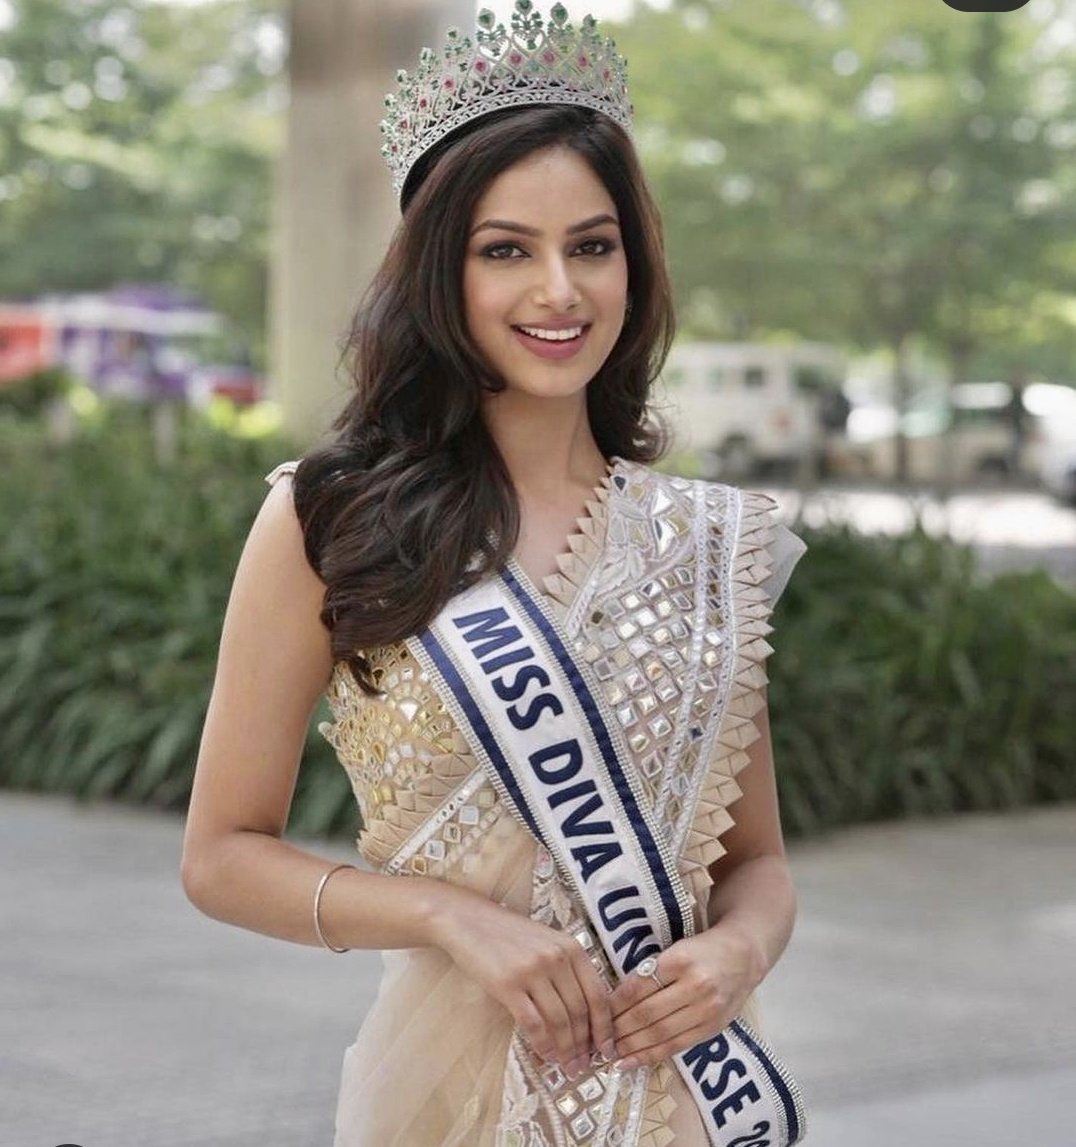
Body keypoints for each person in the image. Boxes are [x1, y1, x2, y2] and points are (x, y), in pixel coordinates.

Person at [181, 4, 807, 1144]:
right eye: (505, 249)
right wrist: (442, 914)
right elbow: (221, 856)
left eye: (593, 246)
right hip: (447, 1095)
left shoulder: (708, 540)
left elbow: (755, 861)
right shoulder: (331, 517)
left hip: (677, 1089)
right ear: (440, 273)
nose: (559, 290)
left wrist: (738, 950)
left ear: (634, 265)